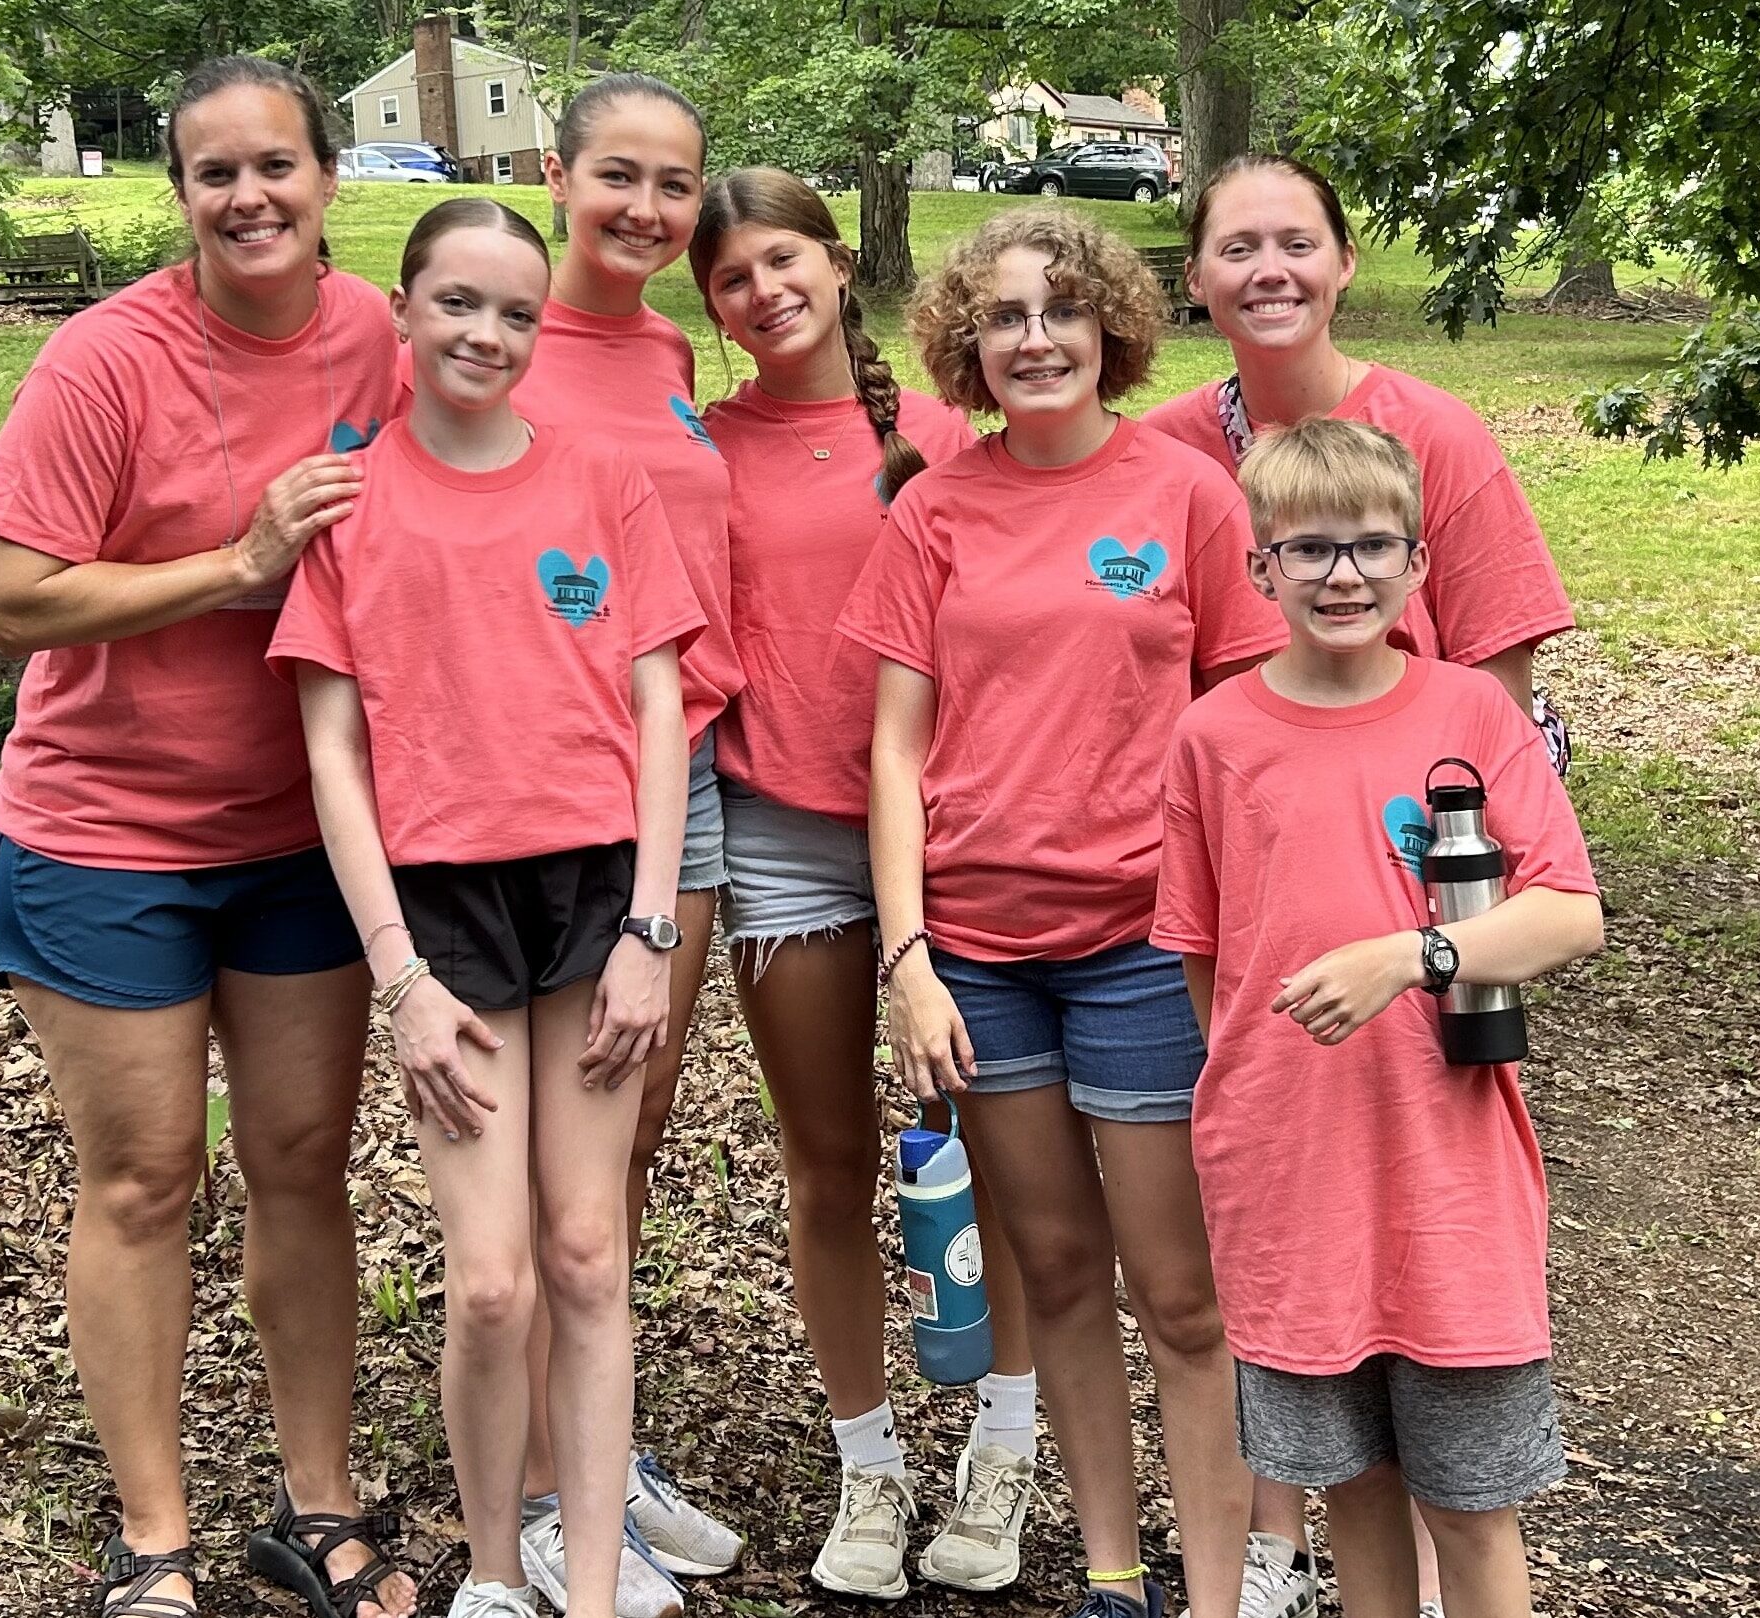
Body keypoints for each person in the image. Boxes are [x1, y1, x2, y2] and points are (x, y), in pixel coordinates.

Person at [0, 56, 413, 1618]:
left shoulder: (376, 337)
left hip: (303, 833)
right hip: (106, 831)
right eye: (214, 173)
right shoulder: (106, 359)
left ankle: (316, 1502)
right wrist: (234, 564)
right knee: (146, 1177)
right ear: (179, 195)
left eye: (275, 165)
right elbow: (12, 598)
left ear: (327, 178)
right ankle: (152, 1537)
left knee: (300, 1163)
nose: (249, 196)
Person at [839, 205, 1286, 1618]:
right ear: (965, 345)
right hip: (978, 953)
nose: (1034, 339)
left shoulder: (1188, 497)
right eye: (1003, 317)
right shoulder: (933, 509)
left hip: (1144, 948)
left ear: (1109, 328)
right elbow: (893, 751)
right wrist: (908, 960)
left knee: (1181, 1295)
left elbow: (1247, 730)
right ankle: (1111, 1575)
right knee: (1056, 1267)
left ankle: (1212, 1593)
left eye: (1060, 310)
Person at [274, 197, 700, 1618]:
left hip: (595, 897)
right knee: (493, 1282)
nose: (486, 334)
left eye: (517, 312)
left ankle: (594, 1584)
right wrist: (398, 974)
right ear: (399, 309)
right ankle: (498, 1575)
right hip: (441, 908)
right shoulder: (349, 500)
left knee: (587, 1253)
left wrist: (649, 930)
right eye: (457, 302)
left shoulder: (601, 482)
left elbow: (659, 710)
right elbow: (332, 753)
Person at [1152, 419, 1605, 1618]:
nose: (1343, 573)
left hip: (1450, 1177)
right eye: (1309, 549)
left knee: (1469, 1504)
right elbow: (1209, 969)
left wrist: (1415, 955)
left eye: (1371, 545)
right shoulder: (1213, 737)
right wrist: (1257, 1106)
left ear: (1417, 564)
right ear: (1261, 569)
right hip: (1288, 1181)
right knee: (1350, 1487)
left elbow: (1569, 912)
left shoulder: (1473, 715)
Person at [689, 166, 1043, 1600]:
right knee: (830, 1162)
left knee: (991, 1146)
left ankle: (1004, 1443)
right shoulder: (703, 447)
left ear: (837, 266)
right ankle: (869, 1463)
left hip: (950, 829)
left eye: (784, 260)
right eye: (731, 278)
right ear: (712, 308)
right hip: (782, 833)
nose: (764, 292)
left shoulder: (951, 434)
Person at [511, 71, 747, 1611]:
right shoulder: (496, 333)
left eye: (674, 184)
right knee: (556, 1156)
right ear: (557, 172)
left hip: (686, 770)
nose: (646, 209)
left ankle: (597, 1445)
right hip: (545, 787)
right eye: (617, 175)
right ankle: (539, 1495)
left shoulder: (666, 346)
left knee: (632, 1126)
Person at [1147, 155, 1574, 763]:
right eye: (1238, 250)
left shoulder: (1436, 434)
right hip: (1232, 779)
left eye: (1298, 245)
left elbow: (1497, 672)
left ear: (1344, 262)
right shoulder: (1163, 451)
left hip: (1415, 774)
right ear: (1195, 278)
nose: (1270, 272)